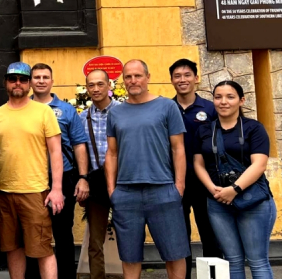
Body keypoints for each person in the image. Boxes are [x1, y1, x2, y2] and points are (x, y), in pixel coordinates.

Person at [105, 60, 190, 279]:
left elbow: (178, 148)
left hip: (163, 189)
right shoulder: (116, 113)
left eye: (138, 76)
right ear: (123, 81)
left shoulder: (167, 106)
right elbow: (112, 153)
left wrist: (179, 186)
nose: (133, 81)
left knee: (174, 254)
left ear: (148, 77)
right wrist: (112, 190)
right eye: (128, 77)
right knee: (130, 257)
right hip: (126, 193)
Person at [193, 81, 275, 279]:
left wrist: (234, 189)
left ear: (241, 100)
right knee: (232, 261)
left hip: (253, 201)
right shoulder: (204, 130)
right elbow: (198, 163)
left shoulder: (253, 128)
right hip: (218, 202)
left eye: (230, 97)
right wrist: (213, 189)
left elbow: (259, 164)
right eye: (218, 97)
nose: (223, 102)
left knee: (257, 261)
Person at [0, 62, 64, 279]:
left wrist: (57, 189)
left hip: (35, 192)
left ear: (30, 84)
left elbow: (56, 152)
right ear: (6, 82)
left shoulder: (44, 112)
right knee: (12, 247)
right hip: (3, 191)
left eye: (23, 79)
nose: (18, 83)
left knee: (42, 248)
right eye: (13, 79)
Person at [29, 63, 90, 279]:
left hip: (64, 177)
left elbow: (79, 144)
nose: (41, 80)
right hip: (32, 180)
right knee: (33, 232)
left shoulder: (66, 110)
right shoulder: (22, 107)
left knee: (63, 232)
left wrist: (82, 178)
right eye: (37, 77)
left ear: (52, 81)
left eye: (45, 77)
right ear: (30, 81)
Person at [169, 58, 222, 276]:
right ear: (171, 80)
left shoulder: (211, 109)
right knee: (180, 237)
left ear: (196, 78)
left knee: (210, 234)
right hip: (174, 182)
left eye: (187, 75)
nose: (182, 80)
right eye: (177, 76)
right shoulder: (165, 108)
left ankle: (210, 276)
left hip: (206, 182)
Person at [78, 69, 120, 279]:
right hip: (96, 184)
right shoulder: (81, 118)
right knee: (95, 241)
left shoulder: (123, 112)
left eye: (100, 84)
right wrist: (82, 179)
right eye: (91, 85)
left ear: (109, 86)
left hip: (123, 182)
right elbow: (79, 151)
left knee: (129, 237)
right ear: (86, 88)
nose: (95, 89)